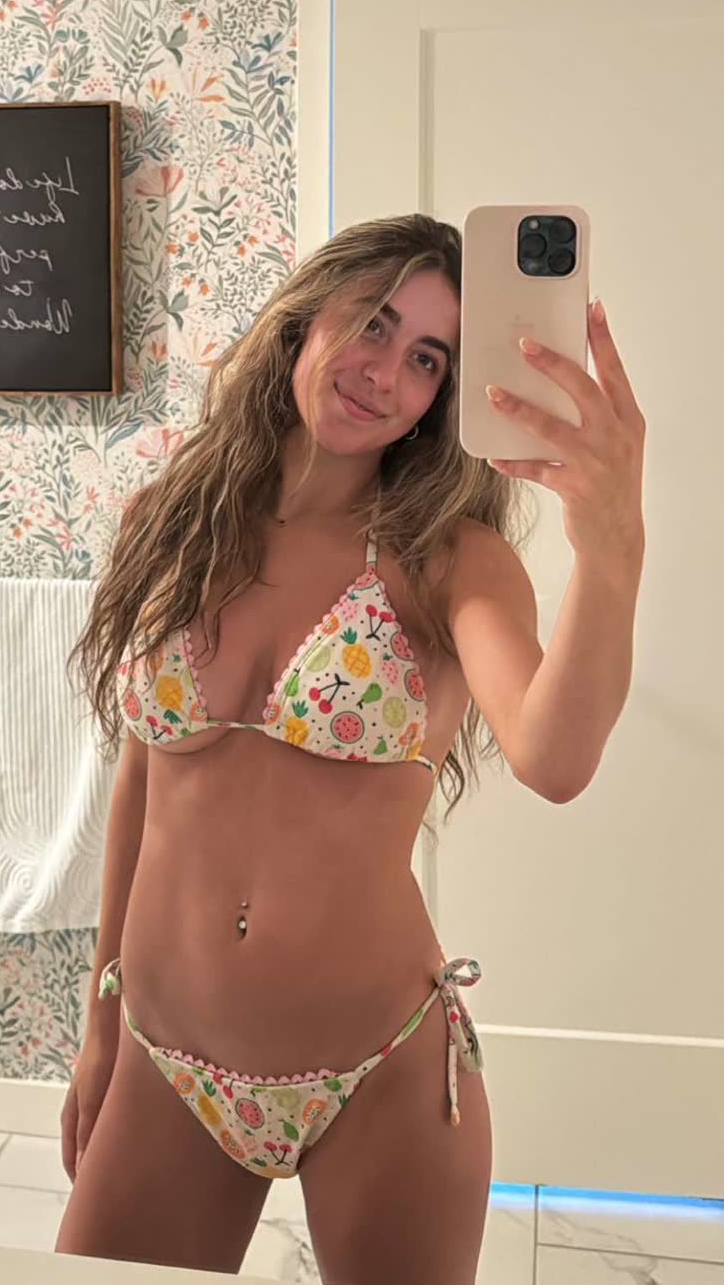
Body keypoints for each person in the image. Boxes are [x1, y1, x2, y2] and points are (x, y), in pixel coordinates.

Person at [55, 214, 645, 1284]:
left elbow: (555, 758)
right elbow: (145, 774)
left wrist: (612, 544)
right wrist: (101, 1024)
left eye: (427, 358)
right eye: (373, 323)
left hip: (381, 1072)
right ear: (305, 318)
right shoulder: (172, 521)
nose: (385, 373)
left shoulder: (447, 561)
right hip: (163, 1057)